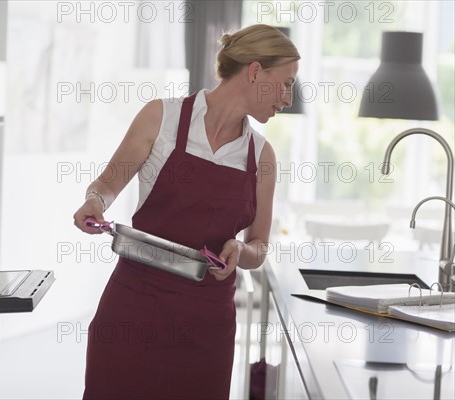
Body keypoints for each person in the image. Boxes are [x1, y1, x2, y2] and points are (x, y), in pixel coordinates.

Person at [73, 24, 300, 399]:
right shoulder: (161, 117)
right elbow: (106, 186)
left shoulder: (262, 157)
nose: (289, 98)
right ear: (256, 71)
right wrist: (94, 202)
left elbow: (259, 246)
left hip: (206, 330)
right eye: (287, 82)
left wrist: (241, 252)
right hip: (132, 312)